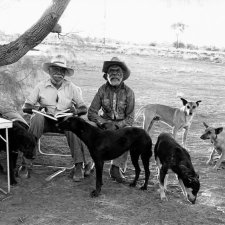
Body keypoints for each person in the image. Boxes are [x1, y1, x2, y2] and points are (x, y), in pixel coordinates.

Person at [22, 54, 92, 182]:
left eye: (62, 70)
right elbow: (26, 106)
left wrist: (76, 111)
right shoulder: (41, 86)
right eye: (55, 69)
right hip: (46, 120)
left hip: (64, 120)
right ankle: (26, 164)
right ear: (49, 71)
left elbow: (84, 108)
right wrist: (38, 109)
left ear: (65, 73)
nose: (59, 73)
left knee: (73, 123)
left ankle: (78, 166)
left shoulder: (72, 87)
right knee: (36, 118)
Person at [88, 57, 135, 183]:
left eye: (118, 72)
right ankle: (88, 163)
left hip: (120, 125)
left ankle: (115, 168)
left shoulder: (129, 92)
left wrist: (117, 126)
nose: (114, 75)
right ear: (106, 75)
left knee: (129, 131)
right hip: (103, 123)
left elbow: (130, 118)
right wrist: (103, 123)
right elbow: (92, 112)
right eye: (111, 72)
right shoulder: (102, 90)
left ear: (123, 75)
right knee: (88, 126)